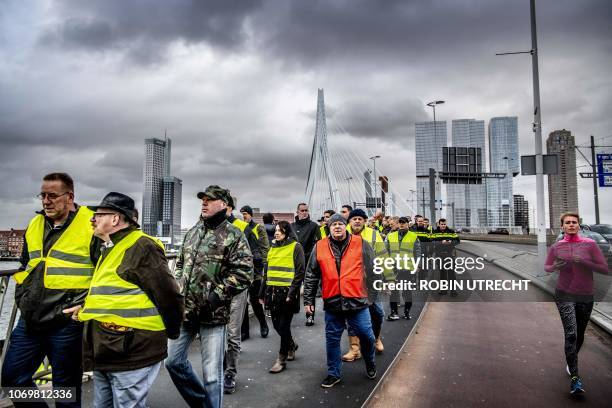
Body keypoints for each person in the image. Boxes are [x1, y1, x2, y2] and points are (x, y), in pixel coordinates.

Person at [69, 192, 184, 408]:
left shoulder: (141, 246)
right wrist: (85, 308)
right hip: (108, 348)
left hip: (131, 349)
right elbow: (117, 292)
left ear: (115, 219)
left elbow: (169, 295)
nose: (92, 219)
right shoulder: (111, 247)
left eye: (98, 215)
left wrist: (172, 332)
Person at [2, 173, 102, 408]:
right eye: (43, 195)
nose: (46, 201)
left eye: (52, 196)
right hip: (32, 317)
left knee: (65, 390)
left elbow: (106, 272)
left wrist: (87, 305)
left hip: (68, 319)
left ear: (69, 197)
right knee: (12, 378)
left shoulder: (92, 225)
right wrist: (23, 295)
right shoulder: (35, 224)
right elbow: (27, 264)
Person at [165, 186, 253, 408]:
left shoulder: (234, 234)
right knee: (172, 362)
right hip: (186, 311)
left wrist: (215, 297)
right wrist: (178, 287)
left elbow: (244, 272)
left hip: (213, 315)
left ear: (223, 204)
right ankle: (202, 403)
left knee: (212, 376)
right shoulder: (193, 231)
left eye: (210, 200)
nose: (204, 203)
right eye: (202, 200)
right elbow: (181, 264)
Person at [304, 214, 377, 388]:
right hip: (332, 301)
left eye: (340, 224)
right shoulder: (319, 246)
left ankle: (370, 361)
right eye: (333, 224)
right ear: (328, 228)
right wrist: (308, 300)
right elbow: (311, 275)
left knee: (366, 335)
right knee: (332, 339)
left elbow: (374, 268)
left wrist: (372, 294)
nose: (337, 227)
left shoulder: (360, 243)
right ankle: (333, 373)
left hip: (357, 301)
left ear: (346, 226)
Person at [544, 212, 608, 395]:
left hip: (586, 295)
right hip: (564, 294)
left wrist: (585, 261)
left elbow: (604, 268)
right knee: (571, 333)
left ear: (578, 225)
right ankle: (575, 378)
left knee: (579, 335)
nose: (571, 225)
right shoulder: (557, 246)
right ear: (562, 227)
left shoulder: (590, 245)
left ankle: (570, 360)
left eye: (574, 222)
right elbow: (547, 267)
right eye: (567, 223)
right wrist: (555, 267)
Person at [222, 196, 260, 393]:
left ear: (228, 207)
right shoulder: (204, 227)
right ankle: (218, 369)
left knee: (232, 333)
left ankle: (229, 373)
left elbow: (255, 255)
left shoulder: (242, 227)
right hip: (212, 291)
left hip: (235, 289)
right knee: (213, 334)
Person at [342, 209, 392, 361]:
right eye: (354, 218)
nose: (357, 221)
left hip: (371, 282)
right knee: (352, 316)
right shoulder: (342, 234)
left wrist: (389, 279)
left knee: (378, 313)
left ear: (364, 221)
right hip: (350, 283)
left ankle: (376, 338)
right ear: (349, 221)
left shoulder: (373, 234)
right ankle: (355, 349)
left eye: (360, 219)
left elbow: (383, 257)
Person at [259, 221, 305, 373]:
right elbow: (267, 272)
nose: (277, 233)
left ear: (287, 232)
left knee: (284, 326)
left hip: (287, 294)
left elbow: (299, 273)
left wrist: (292, 293)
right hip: (272, 293)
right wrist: (261, 293)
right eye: (276, 230)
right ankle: (291, 344)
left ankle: (281, 359)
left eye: (280, 230)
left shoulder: (295, 247)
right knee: (277, 325)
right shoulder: (272, 248)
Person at [240, 205, 270, 346]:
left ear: (250, 215)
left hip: (255, 271)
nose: (243, 216)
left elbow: (265, 249)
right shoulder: (238, 227)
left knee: (255, 300)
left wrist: (261, 268)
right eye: (242, 214)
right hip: (241, 271)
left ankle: (263, 324)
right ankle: (244, 331)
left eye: (245, 214)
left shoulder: (258, 228)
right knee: (242, 302)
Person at [291, 203, 320, 326]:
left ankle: (310, 316)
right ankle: (293, 309)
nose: (304, 212)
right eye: (302, 210)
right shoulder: (291, 226)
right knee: (293, 288)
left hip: (309, 263)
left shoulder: (314, 226)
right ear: (297, 212)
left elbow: (319, 244)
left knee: (309, 291)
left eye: (306, 210)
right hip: (294, 263)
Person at [386, 217, 421, 321]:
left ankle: (406, 312)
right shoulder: (390, 236)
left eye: (403, 223)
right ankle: (394, 313)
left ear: (408, 224)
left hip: (407, 269)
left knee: (407, 292)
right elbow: (385, 251)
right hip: (394, 268)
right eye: (400, 223)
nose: (401, 225)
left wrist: (418, 265)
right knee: (394, 292)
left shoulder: (414, 237)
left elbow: (418, 252)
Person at [431, 218, 460, 296]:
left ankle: (453, 291)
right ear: (439, 224)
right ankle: (443, 290)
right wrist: (441, 242)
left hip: (449, 254)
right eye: (442, 224)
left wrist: (451, 242)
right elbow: (432, 242)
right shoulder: (435, 232)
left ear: (446, 224)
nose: (443, 226)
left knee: (451, 273)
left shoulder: (451, 232)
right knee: (442, 273)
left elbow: (457, 241)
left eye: (444, 224)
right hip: (439, 255)